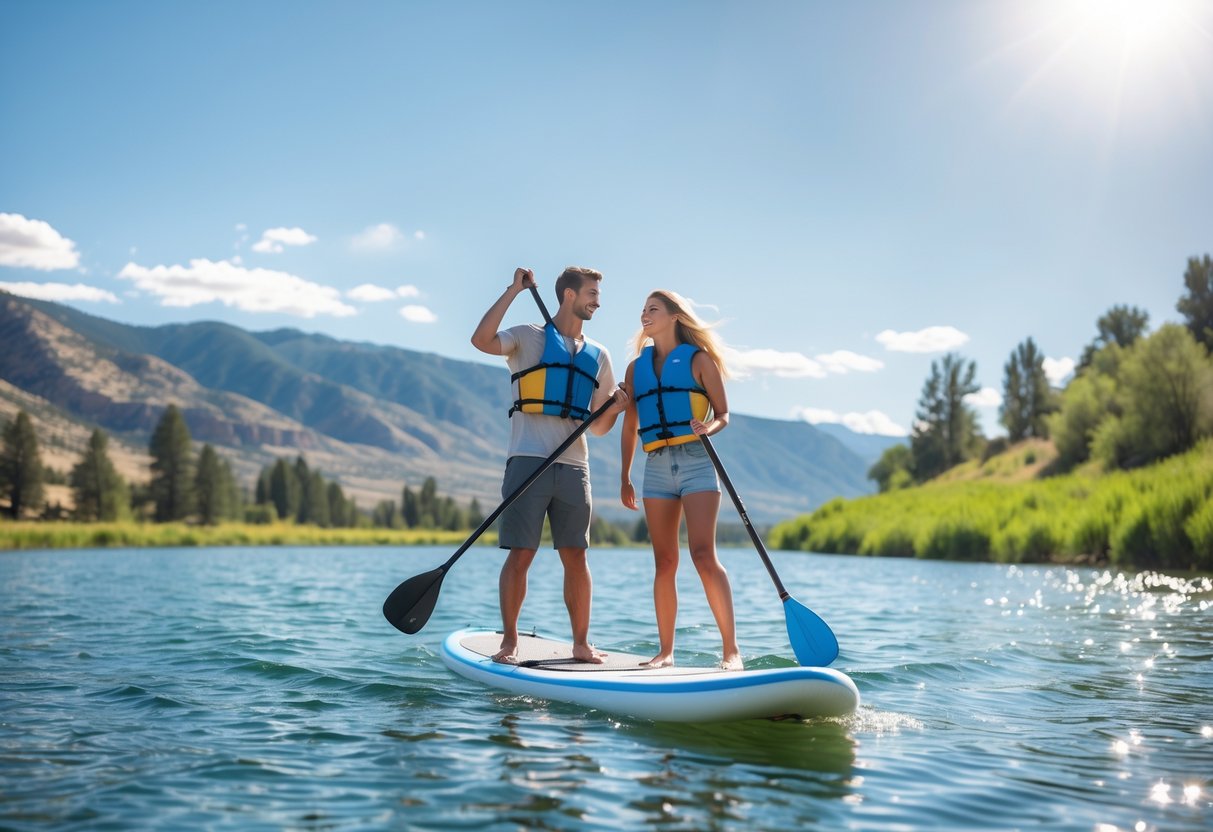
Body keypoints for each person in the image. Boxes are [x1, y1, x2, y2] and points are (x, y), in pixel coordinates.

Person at [471, 266, 628, 665]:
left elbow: (599, 427)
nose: (598, 301)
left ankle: (581, 644)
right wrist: (513, 291)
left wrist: (616, 409)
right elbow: (481, 340)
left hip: (575, 467)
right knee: (521, 553)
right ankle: (509, 641)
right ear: (569, 296)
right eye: (592, 293)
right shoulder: (527, 336)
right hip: (527, 460)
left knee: (577, 556)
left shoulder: (599, 355)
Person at [619, 290, 742, 670]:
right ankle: (666, 652)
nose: (644, 315)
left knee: (703, 555)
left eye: (652, 309)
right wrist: (624, 476)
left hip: (696, 461)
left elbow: (723, 413)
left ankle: (731, 651)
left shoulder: (700, 361)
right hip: (655, 466)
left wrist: (710, 426)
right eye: (642, 310)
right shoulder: (634, 369)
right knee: (664, 562)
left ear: (674, 316)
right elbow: (630, 424)